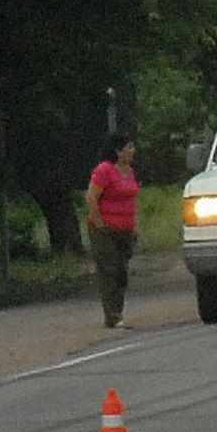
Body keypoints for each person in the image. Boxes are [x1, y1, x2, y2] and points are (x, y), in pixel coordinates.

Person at [85, 133, 140, 328]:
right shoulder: (104, 170)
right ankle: (112, 315)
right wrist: (99, 223)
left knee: (121, 272)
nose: (132, 151)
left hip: (125, 229)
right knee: (108, 269)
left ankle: (118, 310)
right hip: (105, 229)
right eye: (129, 147)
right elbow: (91, 197)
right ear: (118, 151)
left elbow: (131, 197)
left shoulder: (128, 170)